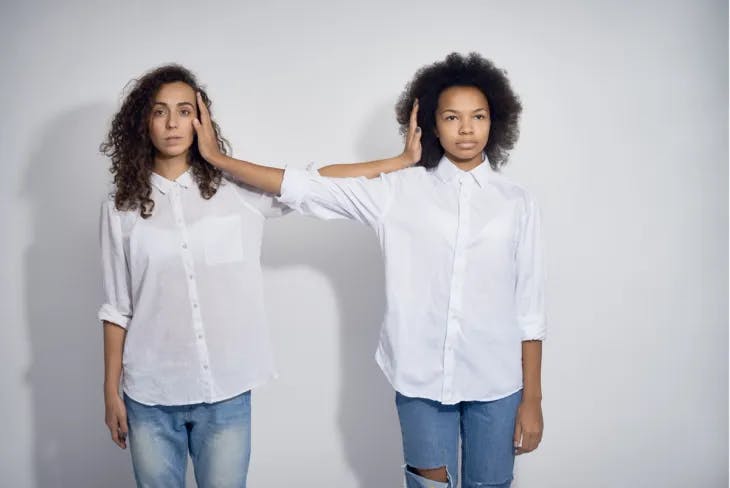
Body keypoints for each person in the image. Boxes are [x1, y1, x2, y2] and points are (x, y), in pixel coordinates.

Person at [194, 52, 546, 488]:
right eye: (452, 117)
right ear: (432, 124)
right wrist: (218, 159)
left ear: (496, 121)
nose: (467, 128)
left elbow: (529, 310)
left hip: (497, 382)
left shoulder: (516, 202)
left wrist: (532, 398)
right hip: (419, 378)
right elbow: (310, 186)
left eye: (479, 116)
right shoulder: (398, 191)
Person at [98, 64, 419, 488]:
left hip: (227, 390)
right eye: (160, 112)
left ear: (202, 120)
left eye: (185, 110)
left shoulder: (238, 191)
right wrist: (110, 389)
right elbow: (117, 308)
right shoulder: (120, 209)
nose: (173, 123)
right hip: (150, 395)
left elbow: (317, 181)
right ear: (144, 122)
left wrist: (400, 161)